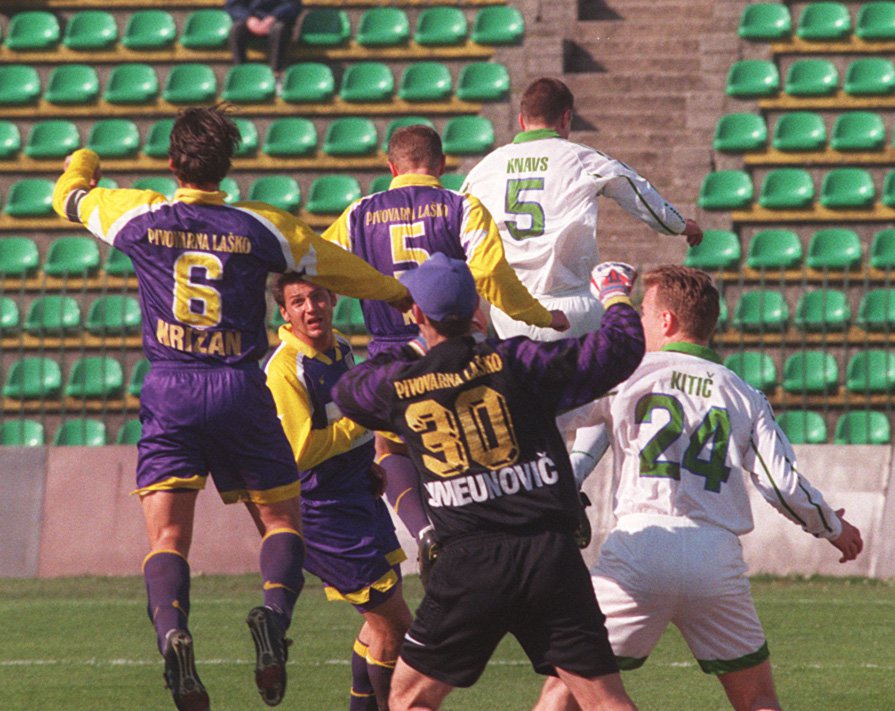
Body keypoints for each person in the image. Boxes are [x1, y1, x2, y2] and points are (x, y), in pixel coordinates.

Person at [52, 105, 410, 711]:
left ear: (172, 163)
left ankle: (173, 635)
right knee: (281, 523)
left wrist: (84, 162)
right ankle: (272, 616)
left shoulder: (138, 212)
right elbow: (340, 267)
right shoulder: (261, 227)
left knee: (167, 537)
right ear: (228, 165)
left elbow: (68, 197)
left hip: (171, 390)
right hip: (241, 387)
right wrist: (400, 292)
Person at [535, 265, 864, 711]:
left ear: (667, 321)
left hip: (640, 546)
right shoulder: (744, 393)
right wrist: (832, 529)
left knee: (568, 688)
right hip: (715, 554)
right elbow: (782, 485)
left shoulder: (625, 375)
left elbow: (549, 415)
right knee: (758, 699)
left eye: (644, 313)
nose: (640, 323)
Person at [331, 253, 646, 711]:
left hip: (469, 561)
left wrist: (419, 349)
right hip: (549, 555)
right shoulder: (518, 361)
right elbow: (620, 349)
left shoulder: (402, 379)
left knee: (409, 698)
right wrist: (615, 293)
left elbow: (348, 391)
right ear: (478, 312)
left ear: (418, 315)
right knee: (603, 699)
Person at [322, 124, 569, 572]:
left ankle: (425, 532)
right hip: (455, 350)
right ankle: (519, 525)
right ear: (440, 165)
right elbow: (492, 275)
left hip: (389, 356)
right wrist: (541, 316)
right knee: (487, 441)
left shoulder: (358, 214)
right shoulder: (462, 207)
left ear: (391, 167)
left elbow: (320, 262)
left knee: (392, 451)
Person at [461, 77, 704, 488]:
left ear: (521, 119)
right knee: (617, 392)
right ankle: (571, 480)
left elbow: (459, 228)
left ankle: (538, 490)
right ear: (566, 118)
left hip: (508, 312)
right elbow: (640, 194)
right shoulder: (581, 157)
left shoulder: (483, 169)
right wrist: (682, 225)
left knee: (526, 415)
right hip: (571, 305)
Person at [265, 272, 413, 710]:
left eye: (317, 297)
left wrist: (366, 460)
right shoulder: (286, 369)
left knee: (381, 621)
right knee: (395, 627)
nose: (311, 308)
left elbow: (341, 418)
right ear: (285, 313)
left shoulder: (342, 347)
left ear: (332, 298)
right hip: (325, 512)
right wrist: (361, 424)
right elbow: (301, 450)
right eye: (298, 302)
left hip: (358, 495)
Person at [226, 0, 301, 72]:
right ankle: (241, 71)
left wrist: (274, 17)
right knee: (236, 30)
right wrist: (248, 19)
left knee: (279, 29)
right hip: (252, 21)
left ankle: (276, 73)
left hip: (278, 21)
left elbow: (293, 5)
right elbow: (234, 6)